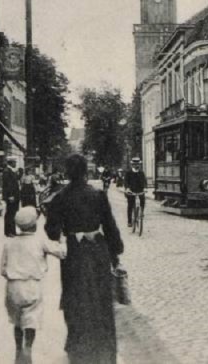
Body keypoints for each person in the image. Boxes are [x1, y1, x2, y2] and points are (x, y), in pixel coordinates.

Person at [44, 154, 124, 364]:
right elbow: (110, 226)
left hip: (74, 253)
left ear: (68, 172)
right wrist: (116, 250)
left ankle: (78, 348)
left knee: (75, 298)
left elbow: (52, 232)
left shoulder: (60, 197)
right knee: (101, 299)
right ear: (86, 172)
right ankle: (104, 349)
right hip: (98, 250)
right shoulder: (98, 195)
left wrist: (58, 224)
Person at [1, 207, 66, 364]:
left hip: (13, 286)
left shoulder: (9, 243)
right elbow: (61, 252)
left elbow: (3, 269)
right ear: (34, 225)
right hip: (32, 285)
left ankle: (18, 349)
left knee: (17, 321)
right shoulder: (39, 241)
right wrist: (63, 241)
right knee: (31, 319)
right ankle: (28, 348)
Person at [124, 157, 147, 228]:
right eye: (135, 164)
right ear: (132, 165)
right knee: (130, 205)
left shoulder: (141, 173)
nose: (137, 166)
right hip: (131, 191)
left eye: (138, 164)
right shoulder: (128, 173)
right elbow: (126, 182)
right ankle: (129, 221)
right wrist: (127, 188)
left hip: (140, 191)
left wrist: (145, 188)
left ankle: (141, 212)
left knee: (143, 200)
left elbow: (144, 181)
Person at [3, 158, 21, 237]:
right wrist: (10, 195)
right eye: (14, 162)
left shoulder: (11, 171)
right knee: (10, 213)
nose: (16, 163)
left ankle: (12, 231)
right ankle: (8, 231)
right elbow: (8, 185)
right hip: (11, 196)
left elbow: (16, 180)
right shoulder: (7, 171)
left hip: (14, 196)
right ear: (11, 163)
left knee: (13, 213)